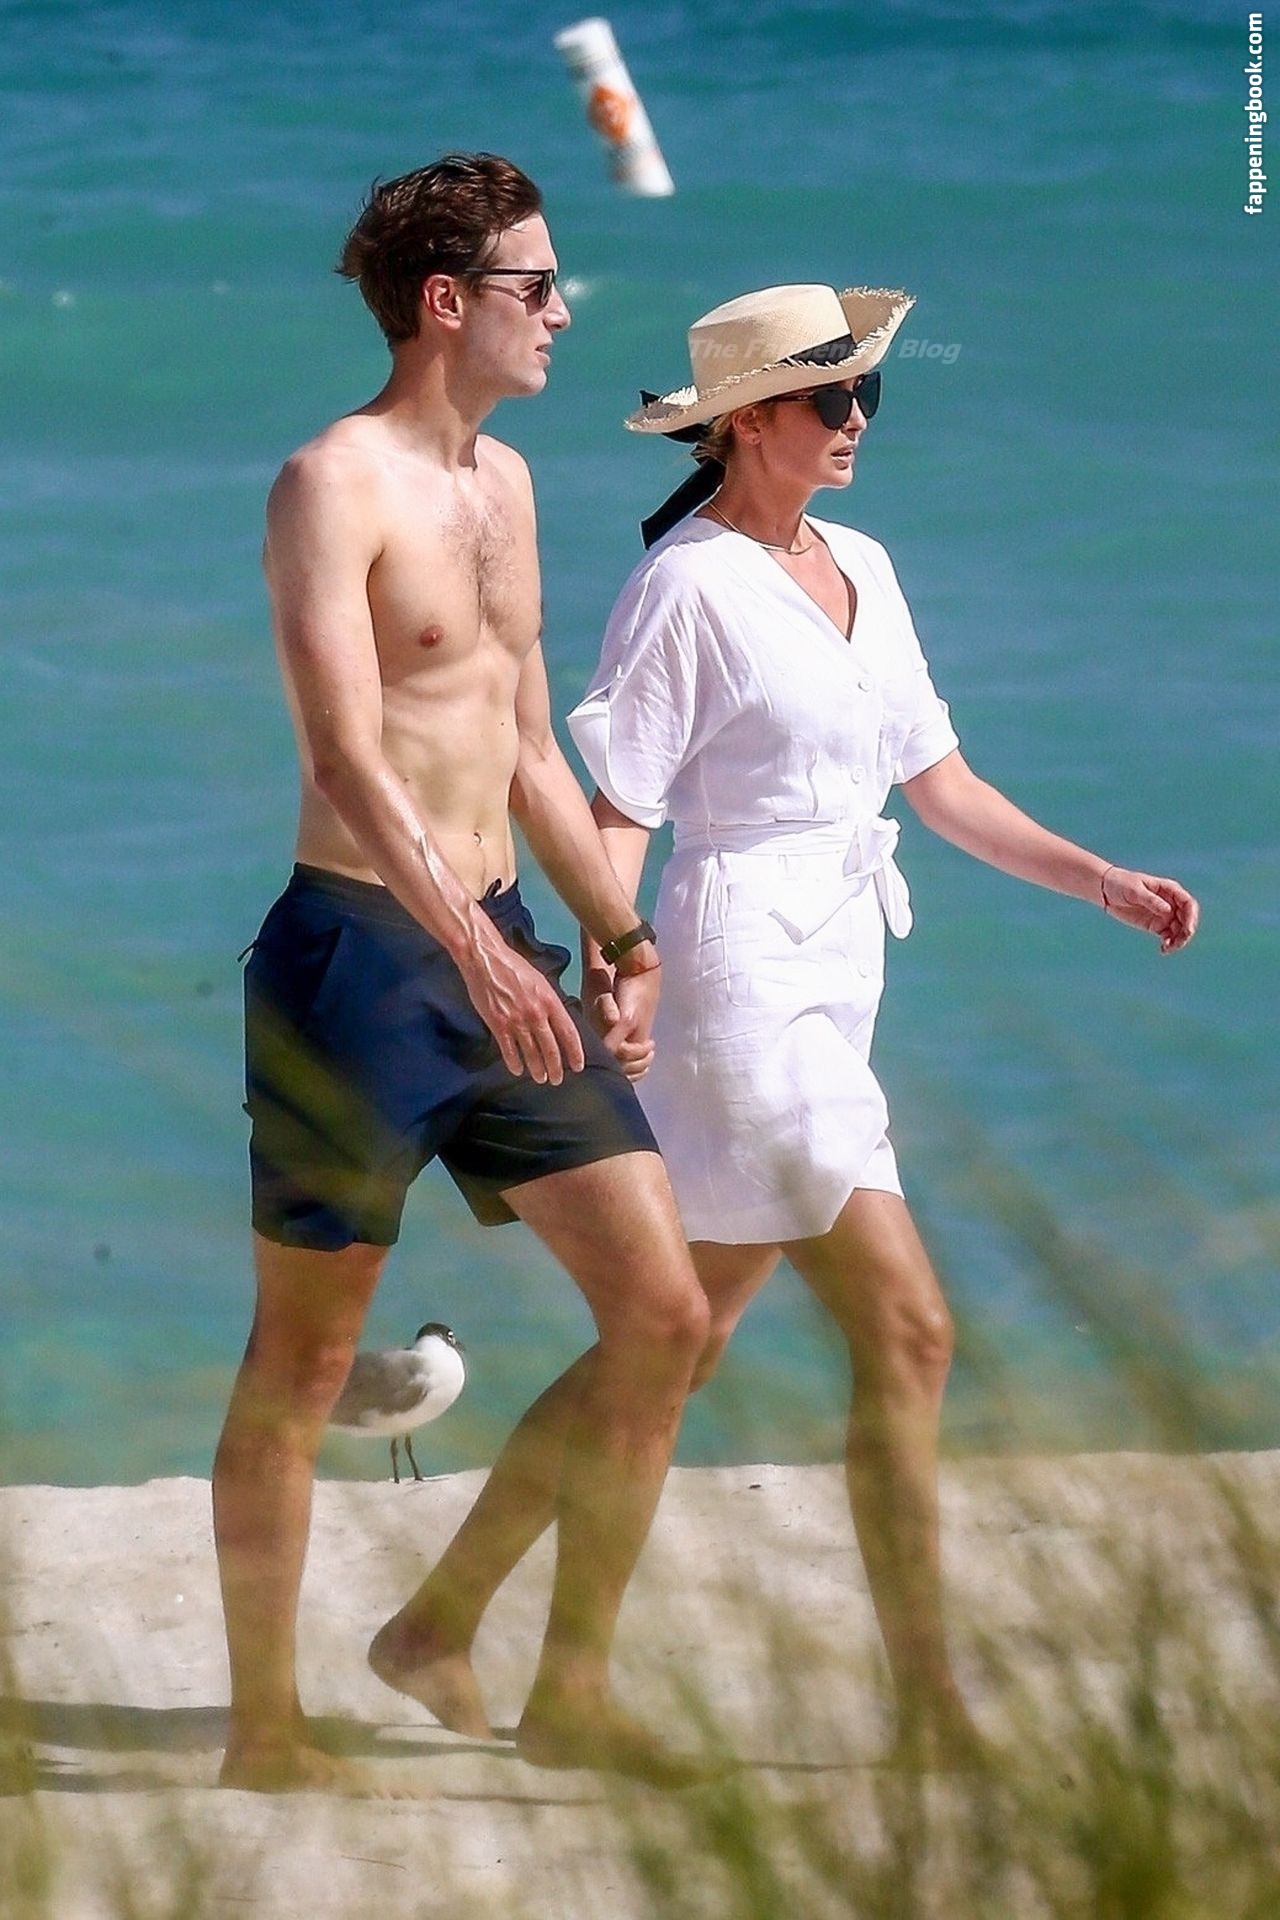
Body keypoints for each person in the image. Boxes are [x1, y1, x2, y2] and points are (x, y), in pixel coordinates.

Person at [559, 281, 1201, 1764]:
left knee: (674, 1341)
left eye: (866, 396)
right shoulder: (685, 588)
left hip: (840, 971)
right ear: (745, 423)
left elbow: (941, 785)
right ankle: (928, 1706)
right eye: (831, 398)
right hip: (735, 979)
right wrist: (619, 959)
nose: (857, 421)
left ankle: (478, 1631)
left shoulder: (863, 563)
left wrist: (1100, 880)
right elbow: (617, 807)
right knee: (905, 1329)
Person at [212, 153, 714, 1795]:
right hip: (358, 967)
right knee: (303, 1365)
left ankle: (549, 1676)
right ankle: (266, 1733)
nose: (563, 313)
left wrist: (622, 938)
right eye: (536, 286)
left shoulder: (507, 486)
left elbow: (525, 747)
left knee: (663, 1317)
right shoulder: (330, 482)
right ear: (448, 303)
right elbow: (345, 756)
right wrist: (464, 943)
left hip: (499, 950)